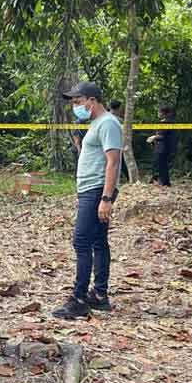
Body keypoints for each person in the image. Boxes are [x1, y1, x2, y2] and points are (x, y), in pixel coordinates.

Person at [52, 82, 122, 320]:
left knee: (81, 242)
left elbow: (113, 162)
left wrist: (106, 198)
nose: (76, 106)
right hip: (90, 190)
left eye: (78, 101)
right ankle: (100, 295)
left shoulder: (108, 123)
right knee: (98, 242)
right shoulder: (95, 124)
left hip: (96, 191)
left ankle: (79, 299)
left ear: (92, 100)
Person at [147, 104, 177, 187]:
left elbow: (163, 135)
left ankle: (165, 182)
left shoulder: (167, 122)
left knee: (162, 164)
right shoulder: (165, 121)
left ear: (163, 112)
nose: (157, 113)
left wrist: (153, 137)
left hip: (163, 147)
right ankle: (161, 180)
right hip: (161, 146)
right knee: (160, 164)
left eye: (158, 111)